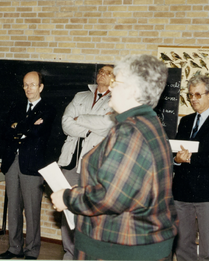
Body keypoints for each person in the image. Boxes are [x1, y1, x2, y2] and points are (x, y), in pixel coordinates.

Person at [51, 55, 178, 260]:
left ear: (132, 90)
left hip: (119, 248)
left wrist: (67, 198)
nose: (110, 87)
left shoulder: (130, 132)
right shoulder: (147, 123)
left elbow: (110, 197)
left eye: (115, 82)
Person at [57, 65, 115, 260]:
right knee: (67, 209)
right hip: (70, 162)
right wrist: (88, 129)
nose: (102, 75)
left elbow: (107, 125)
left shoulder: (116, 100)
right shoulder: (80, 96)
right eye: (100, 71)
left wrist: (79, 119)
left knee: (89, 211)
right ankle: (69, 253)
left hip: (93, 166)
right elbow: (65, 123)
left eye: (108, 73)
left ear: (114, 79)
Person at [0, 71, 56, 260]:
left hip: (32, 164)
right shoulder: (16, 106)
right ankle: (14, 248)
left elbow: (39, 133)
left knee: (32, 210)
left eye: (32, 85)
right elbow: (6, 131)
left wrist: (19, 126)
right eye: (25, 85)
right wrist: (28, 126)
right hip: (12, 162)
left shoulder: (48, 108)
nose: (27, 88)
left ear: (41, 87)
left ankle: (31, 251)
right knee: (13, 208)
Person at [172, 75, 209, 261]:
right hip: (181, 191)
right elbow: (175, 152)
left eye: (198, 94)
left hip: (205, 192)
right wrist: (178, 160)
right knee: (182, 244)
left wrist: (190, 160)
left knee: (208, 247)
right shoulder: (185, 121)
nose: (193, 99)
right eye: (190, 95)